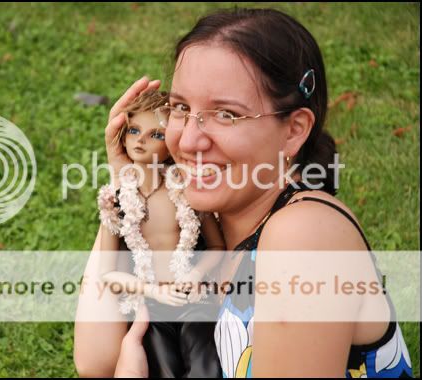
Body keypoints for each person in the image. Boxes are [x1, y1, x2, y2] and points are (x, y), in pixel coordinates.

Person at [75, 7, 413, 378]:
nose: (188, 140)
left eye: (226, 115)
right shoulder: (208, 213)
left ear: (293, 130)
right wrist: (127, 186)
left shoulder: (302, 237)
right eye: (181, 108)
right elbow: (98, 361)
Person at [97, 89, 225, 377]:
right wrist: (152, 291)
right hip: (150, 307)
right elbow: (107, 274)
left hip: (194, 300)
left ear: (172, 144)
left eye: (156, 135)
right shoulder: (116, 199)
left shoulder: (186, 190)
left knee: (206, 366)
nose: (140, 140)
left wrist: (195, 274)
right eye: (134, 130)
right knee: (162, 369)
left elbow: (218, 247)